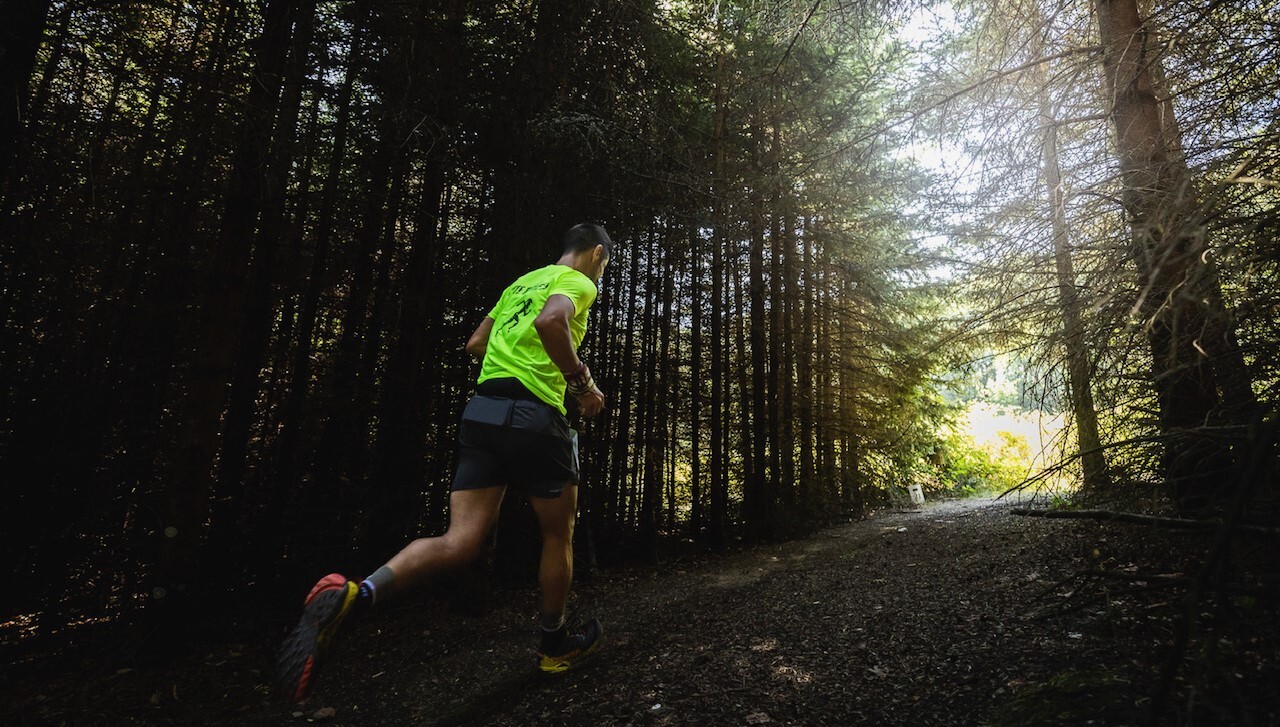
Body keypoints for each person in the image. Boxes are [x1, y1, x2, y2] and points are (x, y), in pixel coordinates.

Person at [277, 223, 613, 702]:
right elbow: (549, 323)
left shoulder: (520, 283)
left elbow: (477, 343)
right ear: (596, 253)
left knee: (458, 541)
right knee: (558, 533)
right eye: (603, 263)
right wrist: (582, 385)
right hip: (535, 416)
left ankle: (357, 593)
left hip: (483, 411)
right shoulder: (580, 281)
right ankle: (555, 644)